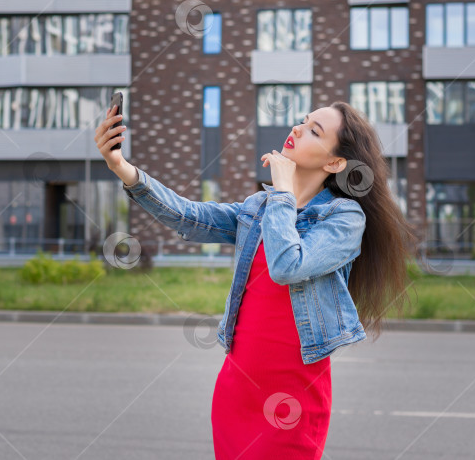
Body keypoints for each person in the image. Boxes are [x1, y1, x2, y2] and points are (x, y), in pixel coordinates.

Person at [95, 100, 419, 459]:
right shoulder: (258, 207)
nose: (297, 129)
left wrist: (282, 191)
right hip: (238, 389)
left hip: (292, 401)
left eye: (314, 130)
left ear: (334, 163)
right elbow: (190, 216)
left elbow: (287, 265)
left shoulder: (344, 218)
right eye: (303, 120)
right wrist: (121, 167)